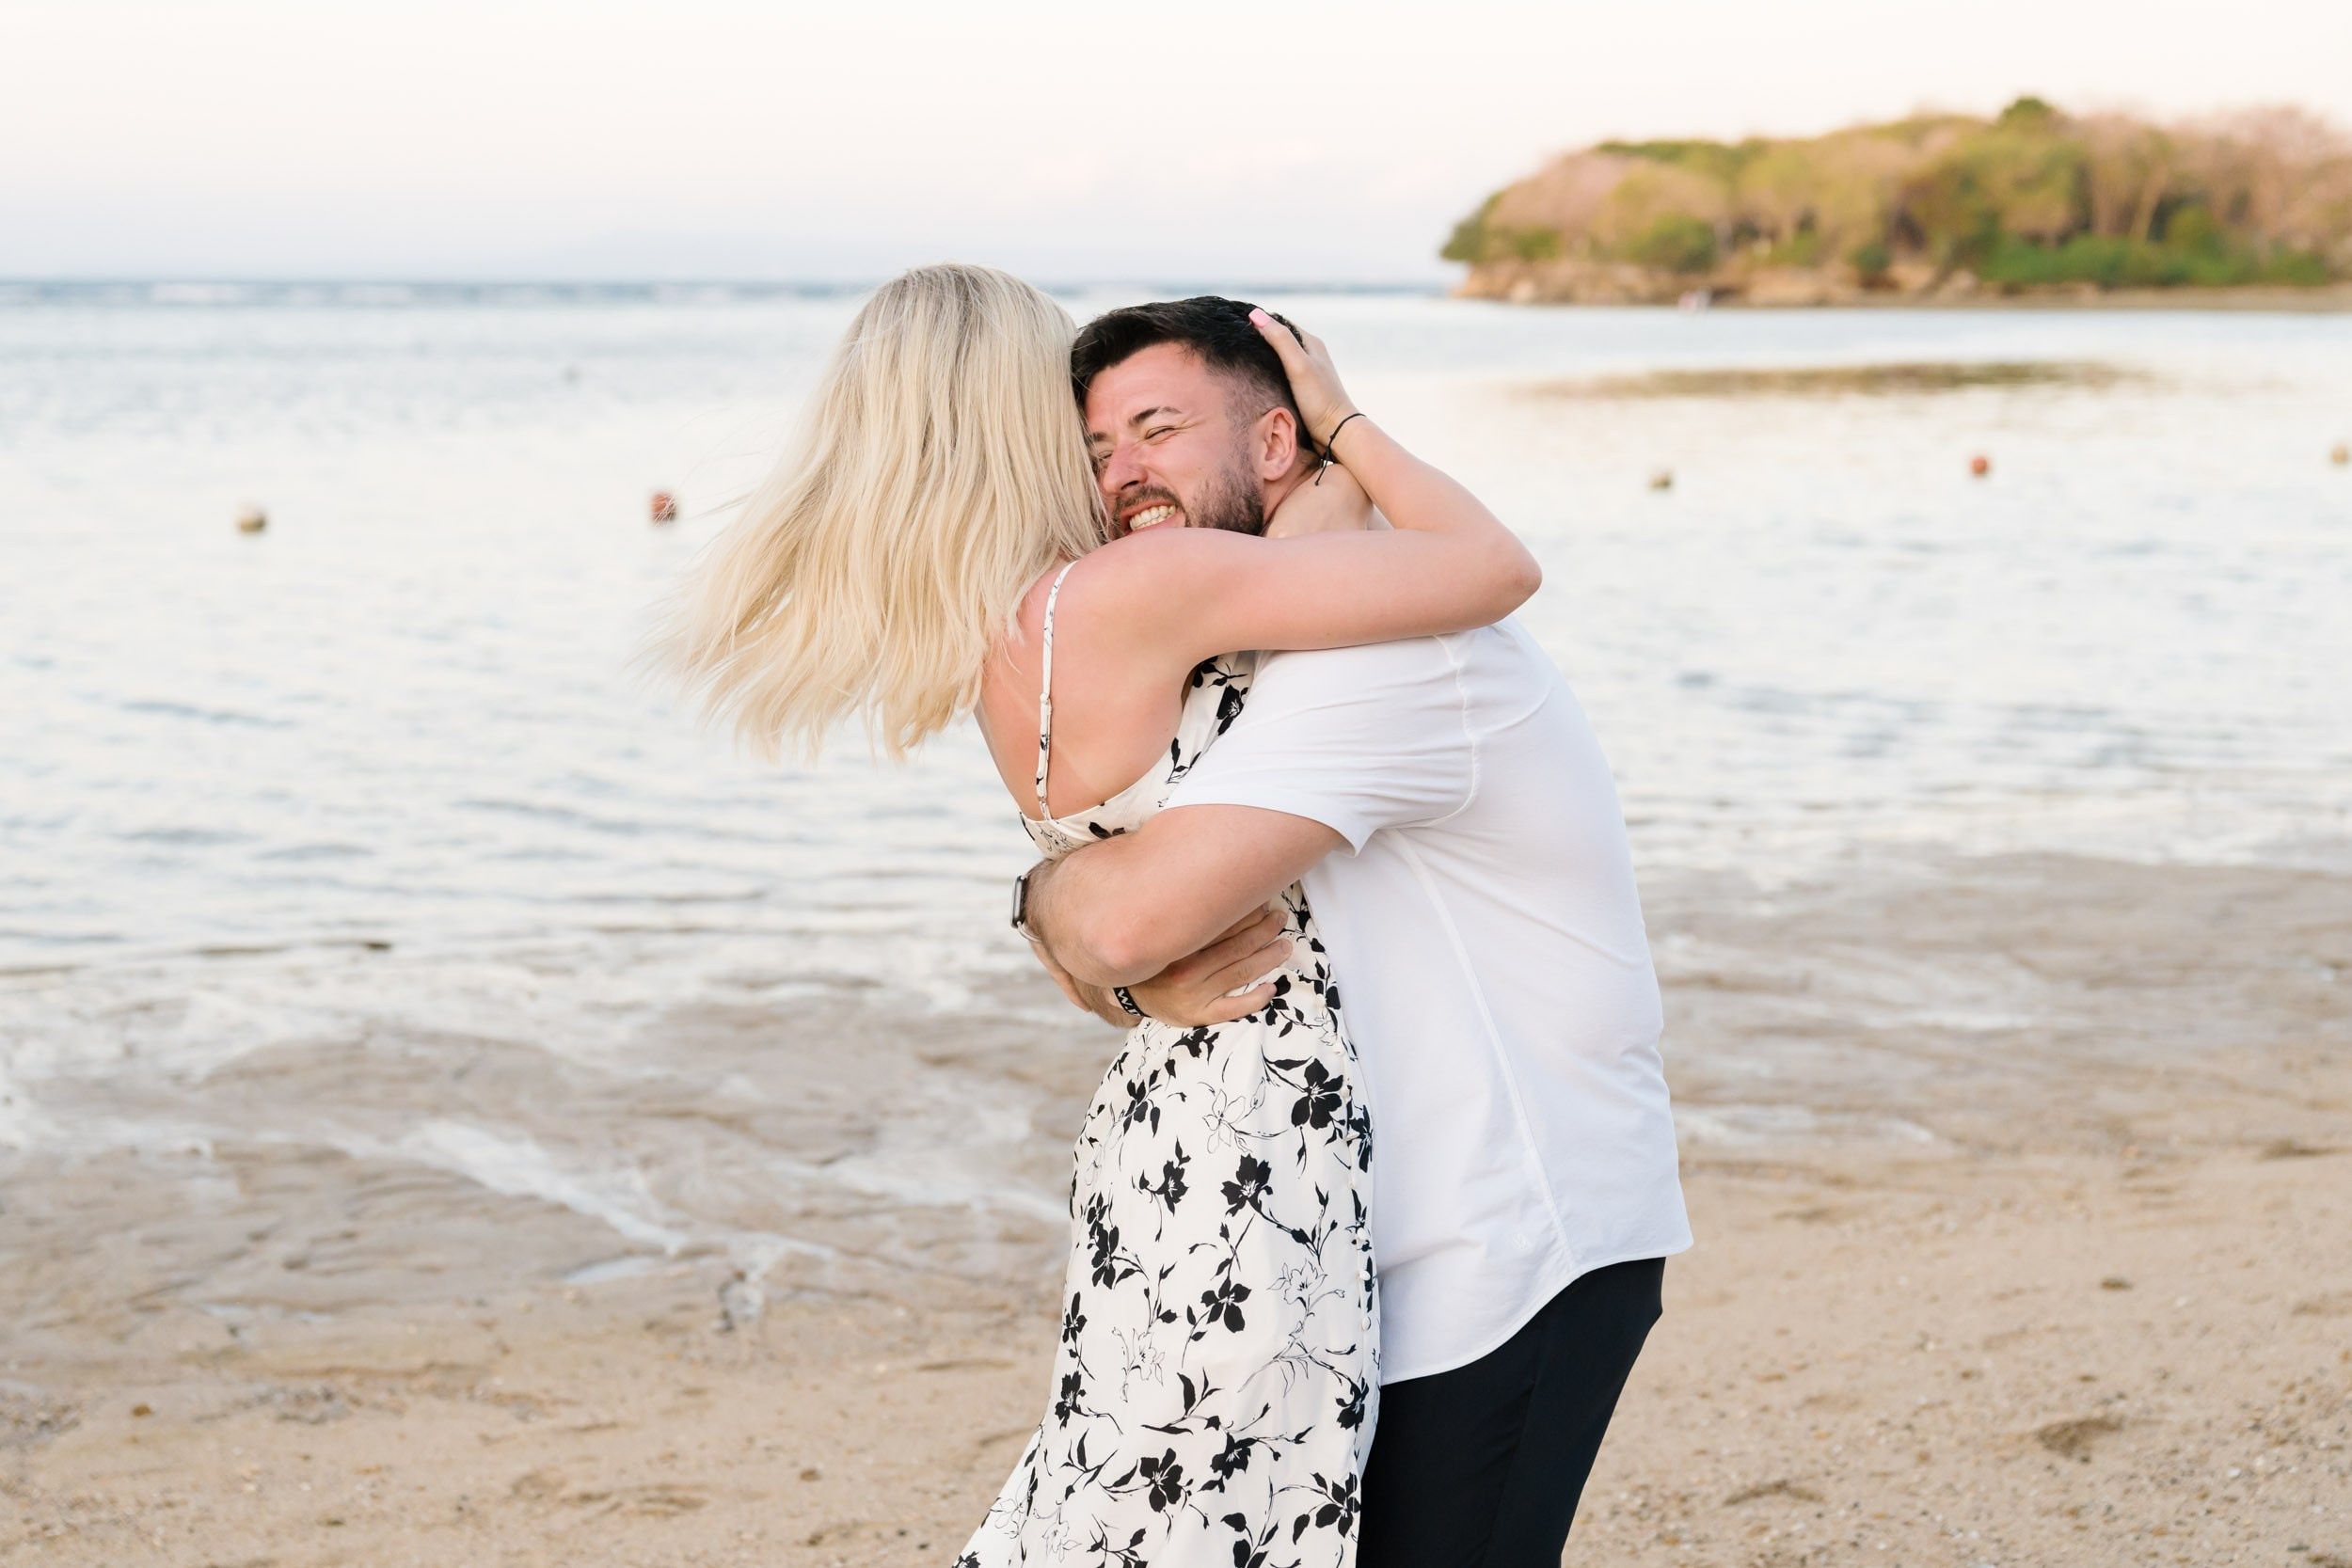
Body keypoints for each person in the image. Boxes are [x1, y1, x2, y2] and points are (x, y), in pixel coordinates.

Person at [660, 264, 1541, 1566]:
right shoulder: (1141, 589)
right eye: (1079, 421)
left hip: (1166, 1117)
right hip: (1257, 1130)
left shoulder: (1010, 631)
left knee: (1123, 1512)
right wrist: (1339, 422)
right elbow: (1486, 565)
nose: (1111, 453)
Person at [1015, 297, 1693, 1567]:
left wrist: (1054, 908)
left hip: (1504, 1243)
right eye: (1099, 450)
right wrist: (1093, 943)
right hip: (1371, 1246)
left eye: (1157, 430)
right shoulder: (1267, 656)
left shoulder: (1386, 659)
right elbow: (1151, 916)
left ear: (1278, 441)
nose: (1122, 476)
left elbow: (1130, 914)